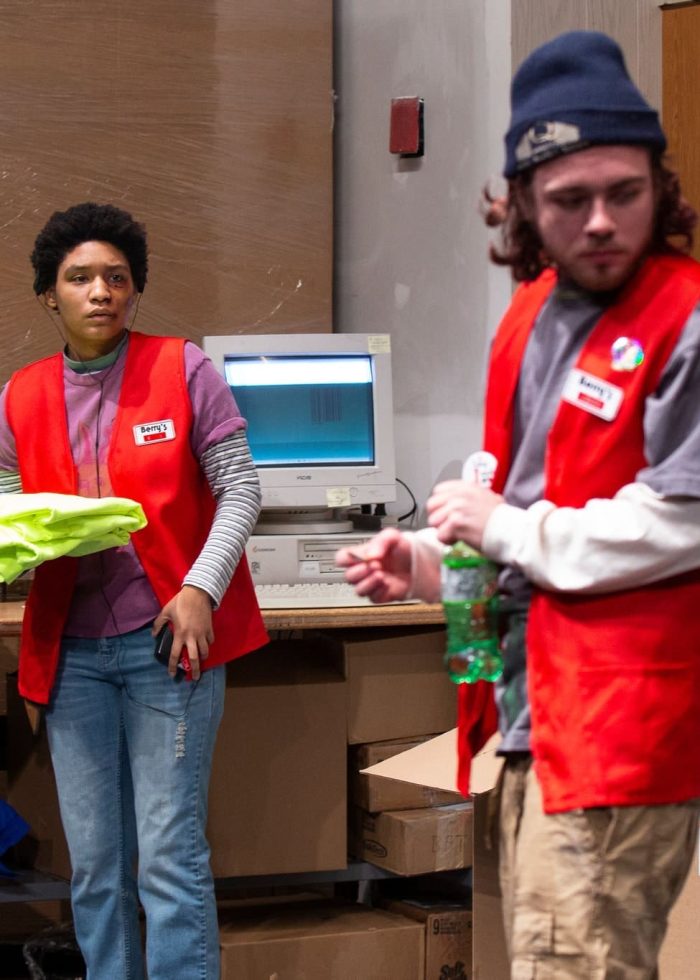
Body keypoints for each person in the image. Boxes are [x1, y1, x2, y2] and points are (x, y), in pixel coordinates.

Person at [337, 31, 700, 978]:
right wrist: (426, 564)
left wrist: (503, 529)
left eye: (624, 193)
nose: (600, 222)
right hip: (519, 716)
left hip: (619, 729)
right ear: (524, 207)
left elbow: (683, 519)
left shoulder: (684, 319)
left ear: (659, 189)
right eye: (568, 201)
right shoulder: (528, 317)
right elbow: (496, 500)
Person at [0, 202, 268, 980]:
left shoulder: (183, 369)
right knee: (96, 869)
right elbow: (12, 516)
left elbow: (241, 489)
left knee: (169, 860)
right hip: (71, 655)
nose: (100, 291)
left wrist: (199, 588)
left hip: (167, 645)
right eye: (79, 277)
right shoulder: (18, 397)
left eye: (116, 277)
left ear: (136, 291)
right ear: (50, 295)